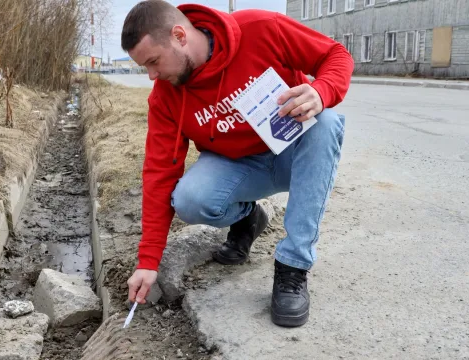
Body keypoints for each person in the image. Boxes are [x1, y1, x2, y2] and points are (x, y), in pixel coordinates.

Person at [120, 0, 353, 327]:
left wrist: (322, 90)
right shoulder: (165, 95)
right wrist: (148, 260)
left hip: (292, 155)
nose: (152, 75)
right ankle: (247, 218)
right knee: (189, 199)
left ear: (179, 36)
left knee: (326, 122)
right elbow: (159, 173)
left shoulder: (261, 29)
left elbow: (335, 55)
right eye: (145, 67)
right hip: (240, 168)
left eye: (154, 61)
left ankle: (292, 268)